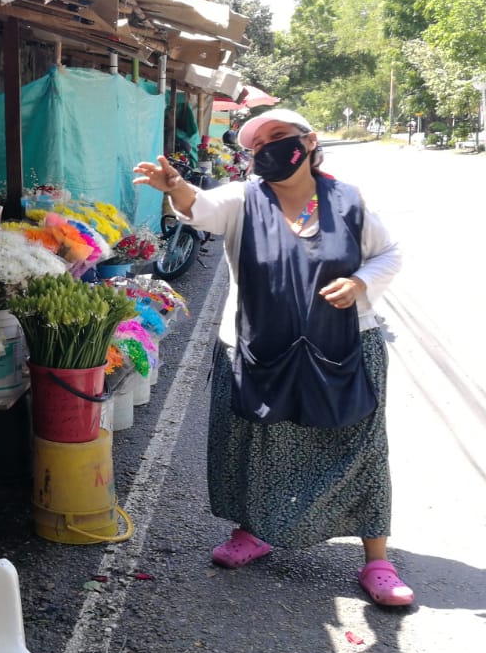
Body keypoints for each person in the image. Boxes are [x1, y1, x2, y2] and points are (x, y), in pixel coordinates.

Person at [133, 108, 410, 606]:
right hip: (259, 346)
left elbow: (388, 252)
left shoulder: (347, 201)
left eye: (278, 137)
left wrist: (361, 282)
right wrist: (175, 186)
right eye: (257, 144)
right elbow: (199, 208)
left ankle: (377, 561)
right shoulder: (244, 199)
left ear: (308, 141)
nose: (267, 148)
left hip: (346, 344)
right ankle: (252, 531)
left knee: (359, 446)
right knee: (255, 440)